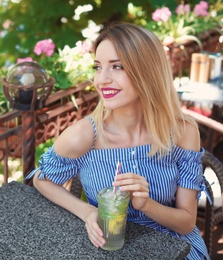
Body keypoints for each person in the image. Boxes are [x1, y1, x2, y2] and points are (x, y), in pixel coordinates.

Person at [26, 22, 210, 259]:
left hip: (177, 248)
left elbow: (186, 223)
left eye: (117, 66)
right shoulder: (85, 135)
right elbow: (43, 179)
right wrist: (88, 212)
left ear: (147, 71)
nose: (102, 79)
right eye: (98, 67)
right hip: (109, 247)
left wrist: (146, 204)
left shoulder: (182, 131)